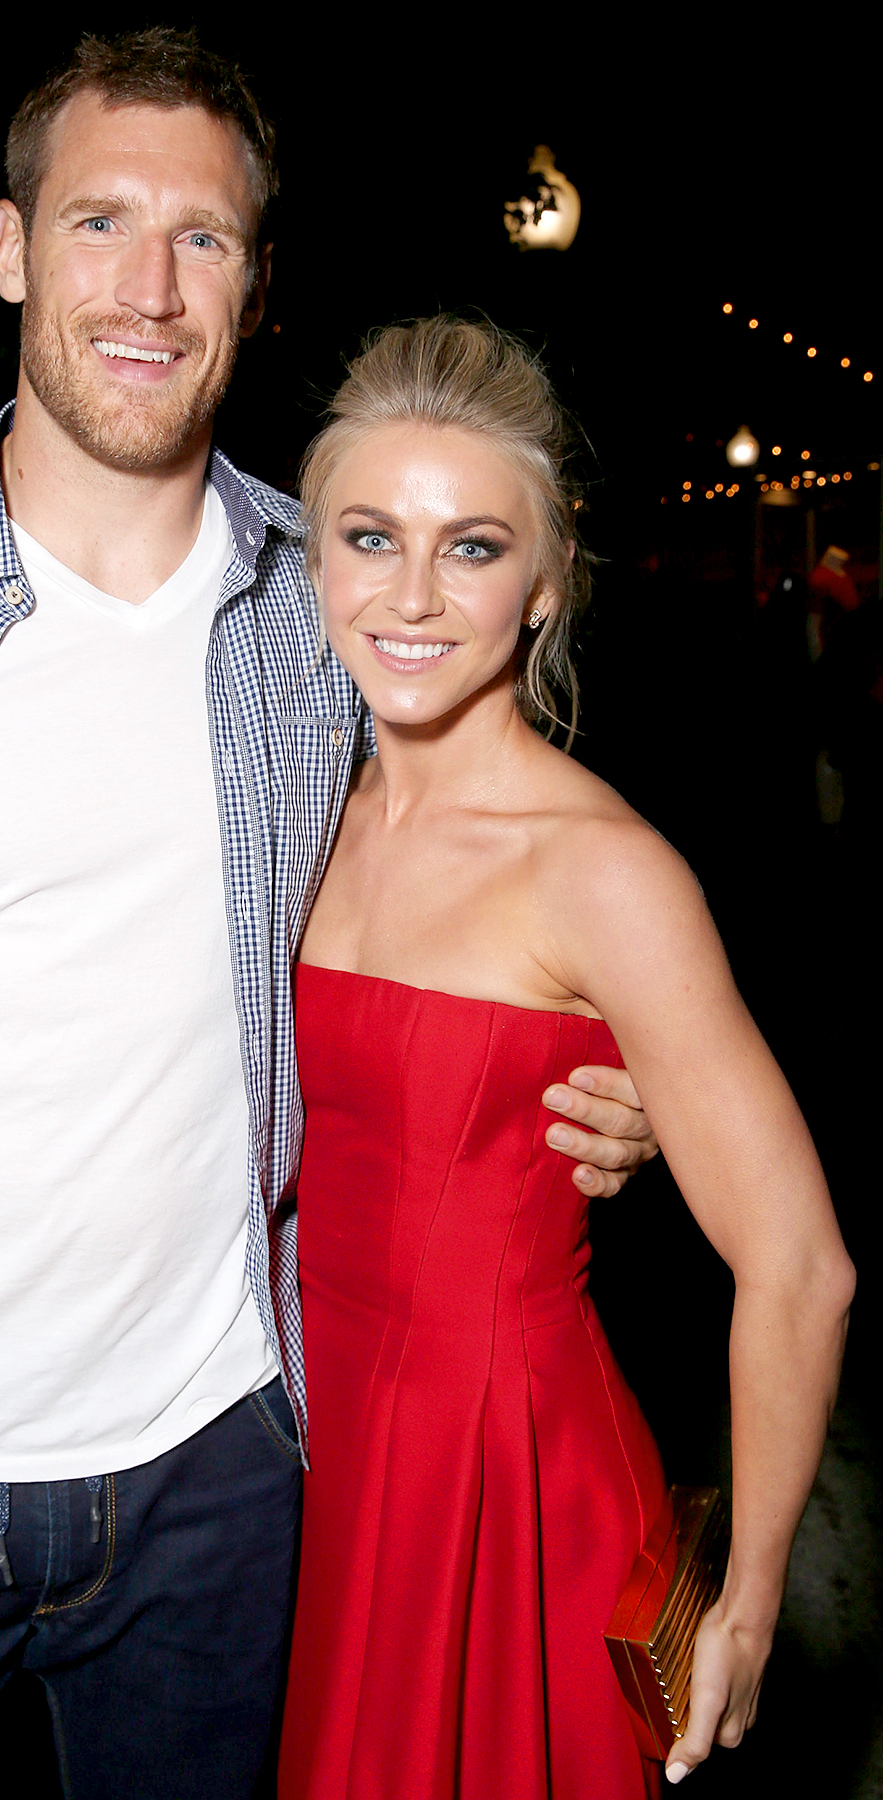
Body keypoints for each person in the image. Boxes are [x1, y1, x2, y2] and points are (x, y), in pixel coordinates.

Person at [0, 35, 655, 1799]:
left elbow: (478, 876)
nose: (149, 288)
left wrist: (594, 1072)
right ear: (13, 249)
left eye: (206, 239)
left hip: (218, 1472)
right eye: (100, 222)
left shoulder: (321, 606)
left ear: (257, 292)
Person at [275, 316, 855, 1800]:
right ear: (315, 560)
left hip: (500, 1470)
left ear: (541, 587)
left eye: (471, 548)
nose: (411, 594)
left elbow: (800, 1262)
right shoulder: (287, 819)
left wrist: (745, 1607)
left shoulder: (605, 871)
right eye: (368, 535)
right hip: (296, 1433)